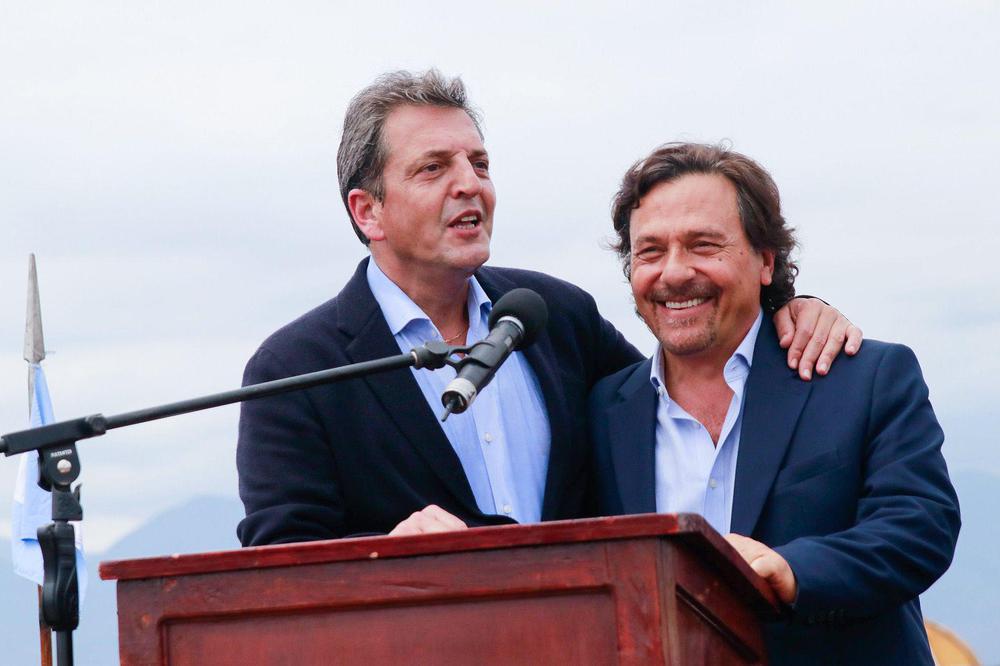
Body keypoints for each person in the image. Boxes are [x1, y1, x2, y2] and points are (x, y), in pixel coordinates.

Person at [236, 70, 859, 546]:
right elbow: (277, 574)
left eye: (479, 163)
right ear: (367, 211)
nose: (469, 184)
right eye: (433, 168)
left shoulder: (551, 314)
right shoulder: (295, 370)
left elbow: (680, 391)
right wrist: (384, 558)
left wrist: (788, 307)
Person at [588, 142, 960, 665]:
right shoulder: (603, 411)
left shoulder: (865, 377)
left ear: (766, 260)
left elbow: (920, 527)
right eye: (650, 251)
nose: (673, 272)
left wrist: (793, 570)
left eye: (702, 246)